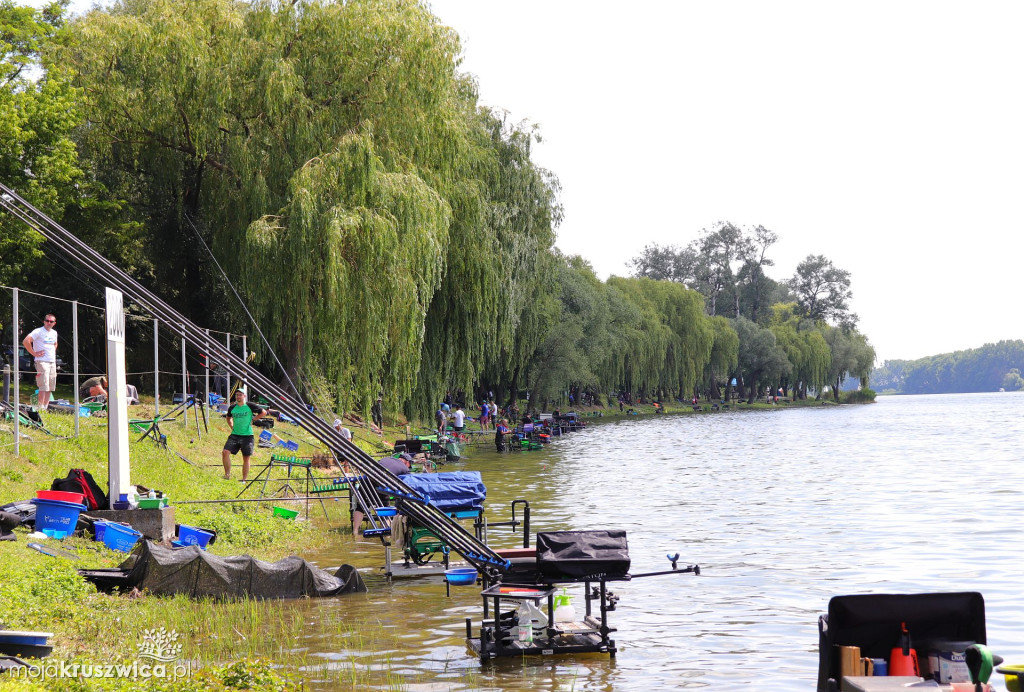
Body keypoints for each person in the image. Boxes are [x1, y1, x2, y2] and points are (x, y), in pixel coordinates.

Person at [222, 390, 267, 482]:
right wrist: (231, 426)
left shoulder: (250, 405)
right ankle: (227, 475)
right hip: (234, 435)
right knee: (225, 452)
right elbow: (228, 417)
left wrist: (254, 419)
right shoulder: (232, 407)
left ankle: (244, 479)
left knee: (246, 457)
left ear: (244, 396)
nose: (238, 397)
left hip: (247, 436)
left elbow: (263, 412)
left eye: (240, 395)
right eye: (237, 395)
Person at [22, 314, 58, 410]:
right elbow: (26, 341)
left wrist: (52, 351)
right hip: (42, 361)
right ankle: (40, 408)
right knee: (43, 386)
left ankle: (45, 408)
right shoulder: (38, 331)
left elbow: (55, 343)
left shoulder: (54, 333)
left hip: (52, 362)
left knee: (50, 386)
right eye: (47, 320)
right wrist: (34, 353)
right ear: (44, 321)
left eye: (51, 321)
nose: (49, 323)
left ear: (54, 323)